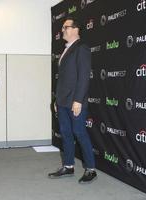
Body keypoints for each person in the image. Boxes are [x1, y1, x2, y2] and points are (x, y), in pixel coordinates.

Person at [48, 17, 97, 183]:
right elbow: (62, 79)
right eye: (63, 27)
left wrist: (78, 100)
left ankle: (91, 169)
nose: (63, 30)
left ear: (76, 29)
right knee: (66, 134)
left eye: (66, 27)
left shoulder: (81, 48)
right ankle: (68, 166)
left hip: (75, 102)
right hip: (62, 101)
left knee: (79, 133)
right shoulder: (66, 50)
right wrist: (56, 100)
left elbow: (83, 77)